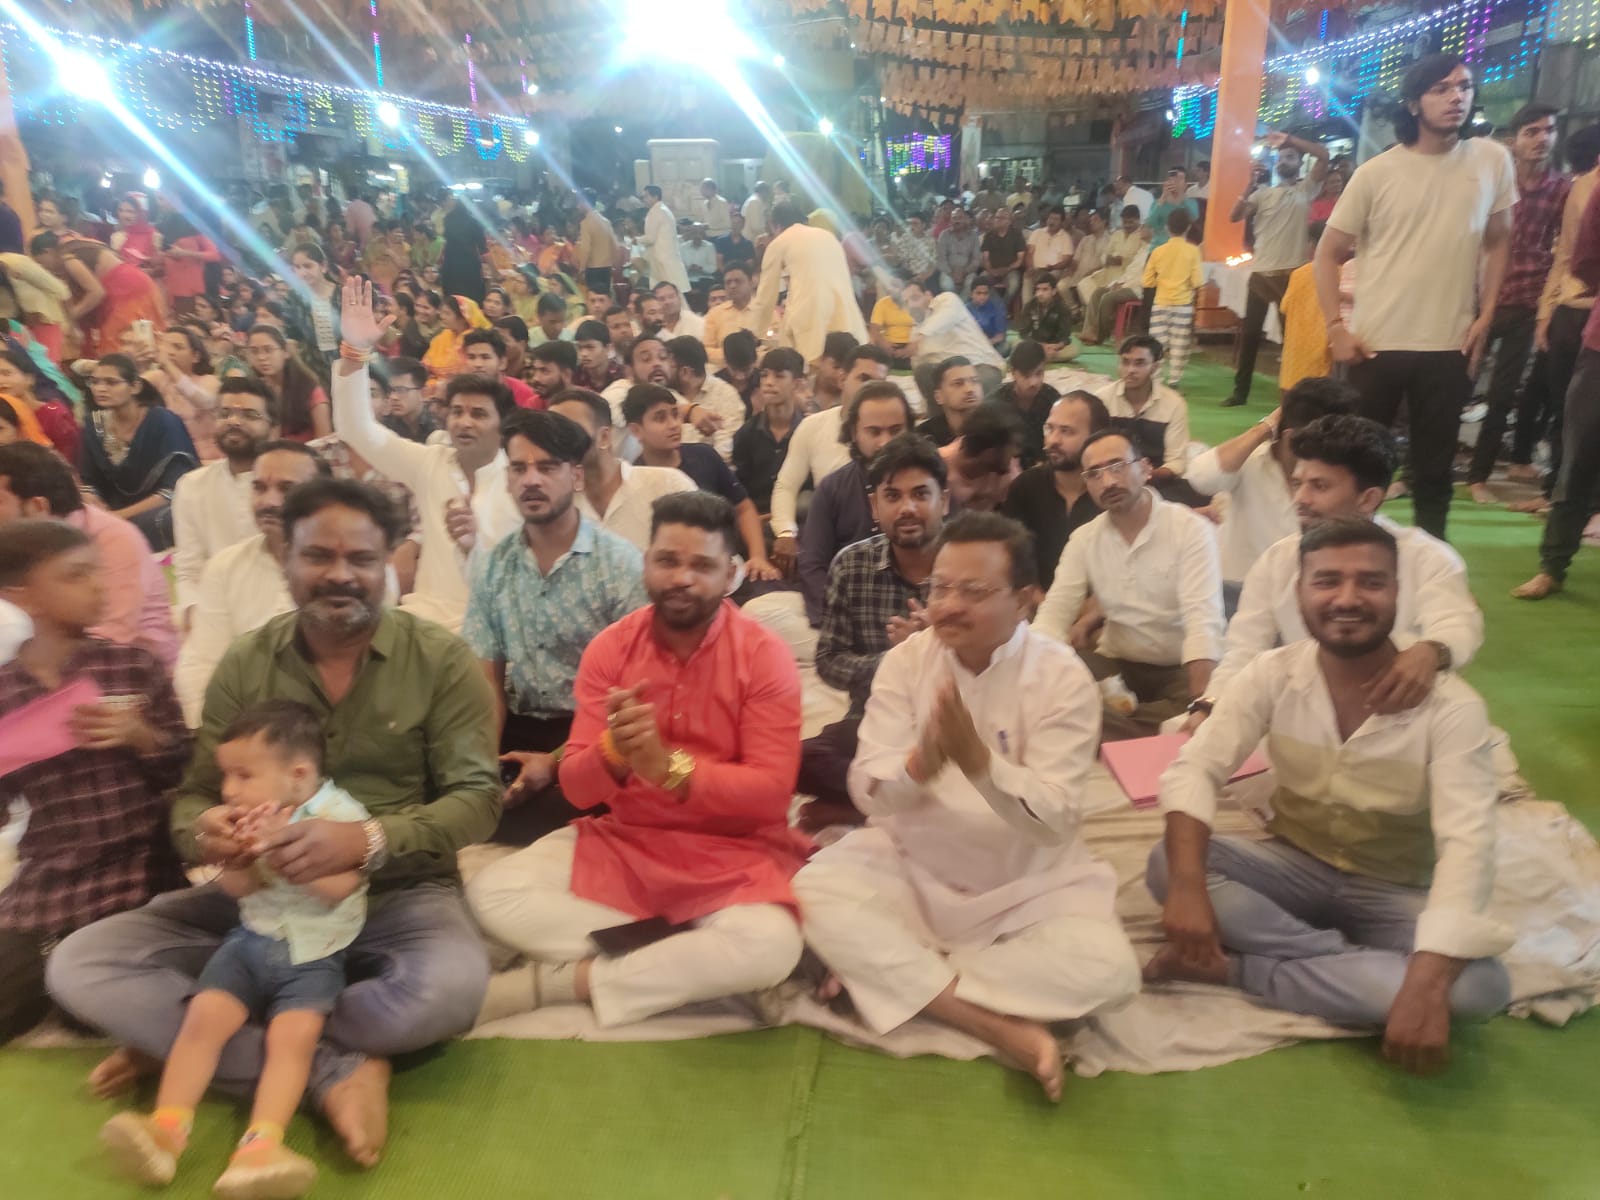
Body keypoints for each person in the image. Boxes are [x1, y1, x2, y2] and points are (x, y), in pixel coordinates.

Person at [47, 478, 502, 1170]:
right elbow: (195, 797)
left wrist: (365, 840)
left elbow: (477, 798)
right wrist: (211, 831)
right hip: (256, 903)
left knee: (449, 991)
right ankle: (334, 1070)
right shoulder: (248, 662)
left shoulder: (439, 660)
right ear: (283, 557)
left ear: (388, 563)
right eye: (318, 555)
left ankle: (203, 1035)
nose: (340, 574)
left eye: (361, 558)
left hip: (399, 892)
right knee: (82, 964)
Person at [796, 510, 1140, 1101]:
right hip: (914, 866)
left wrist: (979, 763)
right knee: (810, 893)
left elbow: (1055, 822)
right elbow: (867, 790)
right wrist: (922, 764)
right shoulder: (908, 662)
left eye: (974, 592)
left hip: (1027, 888)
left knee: (1111, 972)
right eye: (940, 588)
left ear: (1026, 600)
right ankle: (995, 1024)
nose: (948, 606)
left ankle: (898, 975)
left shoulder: (1062, 678)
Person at [1146, 518, 1512, 1073]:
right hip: (1293, 865)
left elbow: (1469, 848)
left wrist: (1428, 978)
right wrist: (1188, 887)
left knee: (1482, 988)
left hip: (1395, 889)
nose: (1347, 598)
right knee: (1168, 864)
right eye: (1327, 581)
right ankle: (1350, 967)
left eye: (1371, 582)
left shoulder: (1452, 708)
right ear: (1299, 593)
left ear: (1398, 592)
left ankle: (1238, 969)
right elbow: (1196, 768)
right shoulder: (1273, 674)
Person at [467, 492, 808, 1030]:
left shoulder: (764, 656)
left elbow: (768, 797)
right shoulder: (611, 650)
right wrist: (613, 752)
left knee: (772, 945)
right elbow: (578, 791)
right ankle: (691, 957)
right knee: (494, 892)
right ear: (646, 562)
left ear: (731, 575)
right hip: (628, 844)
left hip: (732, 852)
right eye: (668, 560)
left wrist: (668, 768)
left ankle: (560, 982)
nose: (682, 579)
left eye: (702, 566)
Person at [100, 701, 370, 1196]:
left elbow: (341, 889)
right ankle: (167, 1129)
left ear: (298, 774)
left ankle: (260, 1146)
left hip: (314, 955)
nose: (228, 790)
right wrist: (239, 858)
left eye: (243, 775)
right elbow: (238, 891)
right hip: (249, 942)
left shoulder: (340, 816)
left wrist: (283, 848)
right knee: (202, 1021)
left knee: (290, 1043)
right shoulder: (244, 817)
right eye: (227, 775)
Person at [0, 519, 189, 1045]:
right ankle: (54, 966)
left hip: (137, 868)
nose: (99, 586)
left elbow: (188, 769)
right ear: (23, 595)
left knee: (95, 1004)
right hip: (50, 877)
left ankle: (67, 980)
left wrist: (141, 736)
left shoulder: (131, 667)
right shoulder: (6, 692)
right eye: (76, 575)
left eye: (98, 571)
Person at [1314, 54, 1515, 540]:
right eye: (1440, 89)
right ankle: (1348, 553)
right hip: (1376, 343)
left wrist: (1487, 312)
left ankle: (1433, 564)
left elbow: (1498, 241)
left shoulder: (1491, 160)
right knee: (1359, 469)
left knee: (1434, 474)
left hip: (1449, 344)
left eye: (1464, 87)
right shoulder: (1377, 173)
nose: (1456, 97)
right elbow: (1327, 253)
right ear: (1413, 103)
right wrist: (1336, 328)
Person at [1202, 414, 1482, 712]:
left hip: (1405, 716)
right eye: (1297, 483)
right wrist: (1210, 706)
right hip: (1303, 715)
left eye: (1319, 486)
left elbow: (1457, 624)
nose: (1300, 498)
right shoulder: (1278, 559)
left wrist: (1430, 652)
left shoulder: (1428, 558)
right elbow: (1243, 651)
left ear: (1368, 499)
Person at [465, 410, 647, 845]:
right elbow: (487, 682)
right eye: (519, 468)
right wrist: (483, 765)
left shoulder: (619, 564)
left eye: (547, 468)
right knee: (457, 790)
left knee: (613, 794)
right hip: (520, 723)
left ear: (576, 476)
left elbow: (637, 690)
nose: (531, 480)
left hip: (592, 730)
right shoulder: (493, 566)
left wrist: (555, 762)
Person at [332, 279, 520, 632]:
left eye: (478, 414)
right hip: (426, 622)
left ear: (503, 424)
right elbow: (356, 429)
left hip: (498, 627)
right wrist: (354, 351)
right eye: (457, 411)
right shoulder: (430, 463)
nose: (464, 422)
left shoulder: (522, 480)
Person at [1033, 429, 1224, 739]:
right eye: (1094, 474)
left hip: (1179, 668)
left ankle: (1109, 723)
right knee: (1054, 678)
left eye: (1117, 466)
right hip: (1115, 665)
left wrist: (1201, 703)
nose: (1107, 482)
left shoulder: (1189, 529)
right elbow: (1055, 612)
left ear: (1145, 469)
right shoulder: (1085, 539)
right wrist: (1029, 672)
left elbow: (1203, 618)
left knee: (1210, 706)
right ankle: (1139, 729)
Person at [799, 434, 945, 825]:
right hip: (876, 724)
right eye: (893, 496)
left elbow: (1000, 656)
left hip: (957, 724)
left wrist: (935, 646)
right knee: (796, 760)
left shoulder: (969, 564)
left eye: (920, 494)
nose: (907, 508)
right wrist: (894, 660)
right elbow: (829, 661)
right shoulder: (852, 565)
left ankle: (868, 804)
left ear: (944, 501)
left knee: (988, 760)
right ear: (874, 507)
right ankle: (891, 803)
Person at [174, 442, 332, 726]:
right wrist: (206, 733)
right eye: (259, 488)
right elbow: (202, 665)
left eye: (287, 489)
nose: (268, 501)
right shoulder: (225, 567)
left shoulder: (354, 571)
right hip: (244, 731)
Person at [1466, 105, 1569, 503]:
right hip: (1479, 298)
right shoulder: (1494, 180)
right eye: (1532, 131)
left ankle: (1478, 477)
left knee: (1502, 395)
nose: (1542, 138)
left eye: (1549, 130)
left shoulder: (1561, 189)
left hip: (1528, 302)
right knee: (1455, 385)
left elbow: (1565, 247)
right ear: (1515, 139)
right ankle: (1419, 470)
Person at [1188, 377, 1356, 608]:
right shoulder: (1248, 461)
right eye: (1326, 444)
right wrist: (1264, 428)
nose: (1334, 454)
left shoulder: (1340, 475)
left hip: (1307, 600)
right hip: (1237, 595)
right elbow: (1201, 478)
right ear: (1290, 437)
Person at [623, 384, 778, 581]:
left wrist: (758, 557)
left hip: (724, 565)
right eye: (660, 418)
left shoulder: (703, 456)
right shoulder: (634, 479)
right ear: (636, 430)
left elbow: (744, 509)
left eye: (675, 414)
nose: (673, 424)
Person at [1224, 130, 1331, 408]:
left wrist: (1291, 140)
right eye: (1281, 157)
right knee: (1250, 336)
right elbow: (1234, 217)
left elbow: (1324, 155)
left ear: (1299, 163)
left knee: (1291, 339)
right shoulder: (1262, 194)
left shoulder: (1306, 189)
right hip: (1261, 275)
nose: (1284, 161)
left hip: (1292, 276)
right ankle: (1240, 393)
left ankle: (1293, 396)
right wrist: (1249, 185)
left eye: (1290, 157)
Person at [799, 381, 916, 623]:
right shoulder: (832, 488)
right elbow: (813, 565)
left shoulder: (931, 486)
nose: (885, 442)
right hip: (848, 609)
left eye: (895, 431)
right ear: (854, 432)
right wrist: (843, 619)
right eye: (874, 432)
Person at [769, 344, 892, 570]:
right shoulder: (813, 426)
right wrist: (785, 532)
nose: (871, 389)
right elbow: (786, 485)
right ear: (842, 379)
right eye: (864, 379)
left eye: (879, 383)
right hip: (827, 535)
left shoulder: (894, 433)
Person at [172, 377, 280, 621]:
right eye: (225, 413)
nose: (234, 421)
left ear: (274, 430)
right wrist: (194, 613)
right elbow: (189, 569)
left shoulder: (293, 485)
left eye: (249, 415)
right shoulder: (192, 486)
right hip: (216, 612)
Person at [547, 388, 695, 551]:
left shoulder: (667, 486)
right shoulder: (554, 506)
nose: (557, 441)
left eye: (568, 431)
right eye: (552, 434)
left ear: (604, 437)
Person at [79, 353, 198, 551]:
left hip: (158, 509)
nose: (100, 388)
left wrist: (118, 517)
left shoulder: (162, 421)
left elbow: (174, 489)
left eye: (111, 382)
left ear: (135, 386)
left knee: (165, 520)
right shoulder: (95, 424)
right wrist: (92, 501)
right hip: (111, 509)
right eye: (95, 382)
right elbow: (88, 480)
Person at [1001, 389, 1111, 588]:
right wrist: (1039, 602)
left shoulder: (1111, 492)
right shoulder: (1026, 486)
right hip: (1032, 601)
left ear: (1096, 437)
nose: (1053, 440)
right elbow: (1010, 557)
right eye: (1049, 429)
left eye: (1066, 431)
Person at [752, 203, 869, 364]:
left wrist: (753, 335)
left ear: (774, 225)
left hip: (811, 313)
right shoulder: (828, 236)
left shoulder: (779, 243)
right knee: (847, 365)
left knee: (808, 368)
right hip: (845, 312)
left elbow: (765, 298)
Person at [30, 231, 166, 358]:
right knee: (139, 342)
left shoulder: (67, 258)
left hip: (126, 289)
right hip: (136, 283)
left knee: (120, 347)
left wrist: (70, 316)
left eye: (42, 263)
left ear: (47, 252)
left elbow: (96, 293)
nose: (45, 268)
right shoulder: (71, 246)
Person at [1094, 334, 1193, 495]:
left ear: (1154, 367)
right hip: (1109, 480)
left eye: (1139, 363)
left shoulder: (1174, 404)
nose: (1130, 370)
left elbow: (1176, 461)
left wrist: (1144, 476)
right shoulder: (1102, 399)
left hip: (1156, 480)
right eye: (1125, 362)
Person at [902, 278, 1005, 400]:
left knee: (969, 391)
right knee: (923, 372)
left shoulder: (947, 300)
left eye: (915, 298)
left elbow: (943, 318)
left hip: (980, 367)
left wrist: (920, 336)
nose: (912, 305)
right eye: (907, 301)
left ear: (928, 295)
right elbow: (917, 361)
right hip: (948, 375)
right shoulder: (916, 328)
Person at [732, 348, 805, 513]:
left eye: (779, 376)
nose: (769, 382)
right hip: (755, 515)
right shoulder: (747, 433)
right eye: (764, 375)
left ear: (796, 384)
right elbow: (740, 487)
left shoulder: (808, 431)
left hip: (797, 514)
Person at [1142, 209, 1205, 385]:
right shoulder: (1193, 251)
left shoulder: (1157, 252)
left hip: (1160, 303)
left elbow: (1147, 281)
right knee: (1179, 346)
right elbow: (1197, 281)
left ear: (1167, 228)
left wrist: (1161, 282)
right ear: (1188, 228)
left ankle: (1156, 381)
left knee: (1157, 344)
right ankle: (1174, 381)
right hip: (1183, 305)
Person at [1276, 223, 1336, 392]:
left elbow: (1284, 307)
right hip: (1325, 349)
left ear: (1312, 244)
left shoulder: (1298, 274)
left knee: (1292, 398)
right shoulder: (1341, 272)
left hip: (1297, 350)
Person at [245, 325, 331, 442]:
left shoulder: (309, 390)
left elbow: (324, 440)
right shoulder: (255, 390)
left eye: (268, 350)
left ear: (285, 352)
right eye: (254, 351)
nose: (261, 357)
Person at [667, 335, 743, 460]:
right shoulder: (664, 393)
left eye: (668, 366)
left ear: (685, 372)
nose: (662, 369)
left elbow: (726, 450)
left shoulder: (725, 395)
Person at [0, 342, 78, 463]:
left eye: (6, 373)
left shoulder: (54, 415)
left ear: (29, 379)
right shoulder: (3, 416)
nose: (1, 380)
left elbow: (72, 460)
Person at [464, 328, 541, 410]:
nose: (477, 364)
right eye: (471, 357)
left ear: (502, 363)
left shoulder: (523, 393)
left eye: (485, 357)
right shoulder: (460, 392)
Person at [917, 356, 984, 447]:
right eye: (958, 383)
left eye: (975, 381)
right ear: (938, 397)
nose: (970, 389)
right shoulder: (923, 438)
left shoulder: (998, 428)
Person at [702, 263, 761, 367]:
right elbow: (706, 349)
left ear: (751, 282)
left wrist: (746, 358)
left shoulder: (765, 312)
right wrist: (733, 356)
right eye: (728, 282)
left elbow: (772, 346)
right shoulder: (715, 314)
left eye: (738, 281)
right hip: (723, 370)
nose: (732, 286)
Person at [638, 186, 690, 294]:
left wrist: (636, 240)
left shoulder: (655, 212)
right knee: (672, 293)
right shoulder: (664, 209)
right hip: (666, 258)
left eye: (646, 196)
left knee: (666, 293)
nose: (644, 199)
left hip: (661, 260)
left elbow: (650, 238)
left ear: (655, 196)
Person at [1015, 274, 1076, 363]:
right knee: (1016, 344)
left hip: (1054, 346)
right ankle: (1044, 357)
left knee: (1075, 350)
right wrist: (1040, 346)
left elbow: (1065, 336)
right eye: (1038, 289)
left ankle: (1038, 357)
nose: (1040, 293)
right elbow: (1023, 333)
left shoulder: (1063, 309)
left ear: (1054, 291)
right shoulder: (1030, 306)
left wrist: (1056, 346)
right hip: (1035, 344)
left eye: (1045, 289)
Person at [376, 356, 436, 443]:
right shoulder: (383, 424)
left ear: (423, 393)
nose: (393, 397)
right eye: (389, 390)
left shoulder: (437, 422)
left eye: (401, 390)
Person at [440, 199, 489, 304]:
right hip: (469, 266)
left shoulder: (448, 219)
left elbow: (446, 241)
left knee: (452, 299)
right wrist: (495, 272)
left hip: (450, 264)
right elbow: (483, 250)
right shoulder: (474, 222)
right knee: (470, 299)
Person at [573, 191, 619, 298]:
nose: (577, 206)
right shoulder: (606, 221)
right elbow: (614, 245)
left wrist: (582, 269)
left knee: (595, 298)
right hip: (607, 267)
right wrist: (612, 263)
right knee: (605, 297)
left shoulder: (586, 223)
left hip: (593, 268)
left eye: (579, 202)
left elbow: (586, 249)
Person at [979, 206, 1027, 304]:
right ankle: (995, 304)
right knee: (980, 281)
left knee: (1014, 283)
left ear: (1009, 221)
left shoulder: (1017, 235)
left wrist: (1006, 269)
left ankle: (1002, 306)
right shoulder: (989, 235)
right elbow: (985, 258)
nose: (998, 220)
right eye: (996, 217)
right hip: (992, 270)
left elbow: (1020, 260)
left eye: (1002, 218)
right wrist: (991, 271)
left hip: (1011, 270)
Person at [1145, 168, 1200, 249]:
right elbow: (1150, 223)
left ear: (1185, 185)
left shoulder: (1191, 203)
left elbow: (1194, 219)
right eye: (1171, 179)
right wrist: (1163, 198)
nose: (1174, 182)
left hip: (1181, 248)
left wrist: (1181, 196)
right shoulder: (1158, 203)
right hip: (1158, 247)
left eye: (1179, 179)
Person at [937, 205, 983, 297]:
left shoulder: (973, 236)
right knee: (947, 285)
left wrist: (964, 272)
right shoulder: (944, 235)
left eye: (960, 218)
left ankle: (961, 304)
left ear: (965, 219)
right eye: (954, 218)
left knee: (971, 284)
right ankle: (956, 303)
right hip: (948, 271)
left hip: (968, 271)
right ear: (951, 220)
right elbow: (941, 259)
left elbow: (976, 260)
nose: (957, 221)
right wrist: (951, 273)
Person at [870, 274, 917, 365]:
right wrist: (883, 343)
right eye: (890, 285)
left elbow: (924, 329)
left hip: (911, 345)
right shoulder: (882, 303)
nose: (890, 289)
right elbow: (874, 329)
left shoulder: (917, 303)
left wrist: (911, 347)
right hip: (888, 345)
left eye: (895, 286)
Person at [965, 277, 1009, 358]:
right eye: (978, 293)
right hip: (971, 345)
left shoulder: (997, 308)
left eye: (985, 293)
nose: (982, 297)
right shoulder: (965, 309)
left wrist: (985, 344)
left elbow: (1000, 336)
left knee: (1005, 347)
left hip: (991, 345)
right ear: (971, 294)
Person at [714, 212, 757, 277]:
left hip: (741, 276)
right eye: (733, 223)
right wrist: (728, 275)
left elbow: (750, 264)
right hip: (723, 275)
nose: (735, 225)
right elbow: (719, 263)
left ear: (743, 225)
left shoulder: (748, 244)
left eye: (738, 223)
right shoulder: (721, 241)